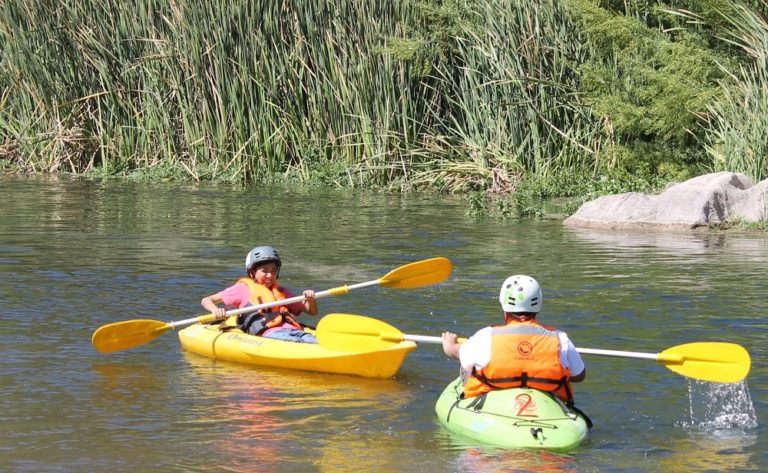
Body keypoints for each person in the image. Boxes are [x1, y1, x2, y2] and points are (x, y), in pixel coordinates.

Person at [442, 275, 585, 406]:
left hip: (494, 405)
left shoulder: (486, 336)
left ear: (505, 309)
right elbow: (579, 375)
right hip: (547, 406)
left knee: (470, 368)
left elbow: (457, 353)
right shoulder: (560, 338)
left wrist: (450, 345)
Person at [201, 245, 318, 343]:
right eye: (264, 271)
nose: (270, 275)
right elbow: (206, 300)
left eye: (273, 271)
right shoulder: (243, 289)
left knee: (316, 342)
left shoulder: (281, 291)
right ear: (252, 272)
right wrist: (215, 310)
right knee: (306, 344)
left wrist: (310, 299)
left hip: (296, 331)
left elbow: (311, 311)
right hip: (270, 334)